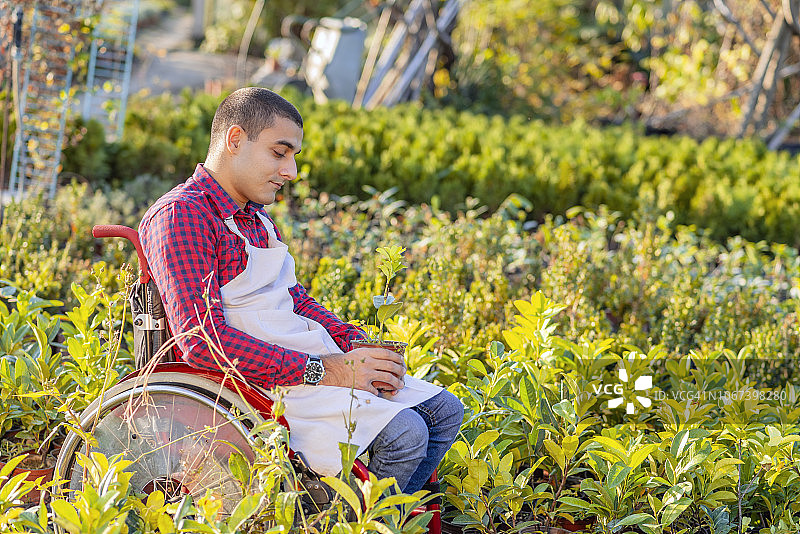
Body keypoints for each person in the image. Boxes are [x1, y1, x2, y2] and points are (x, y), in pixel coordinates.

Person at [138, 87, 463, 493]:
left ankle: (392, 513)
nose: (290, 172)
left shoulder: (255, 218)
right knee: (406, 433)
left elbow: (294, 300)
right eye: (279, 152)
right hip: (248, 382)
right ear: (234, 139)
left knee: (445, 411)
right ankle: (349, 516)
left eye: (293, 156)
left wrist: (356, 343)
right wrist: (330, 370)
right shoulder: (184, 215)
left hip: (296, 361)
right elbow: (202, 340)